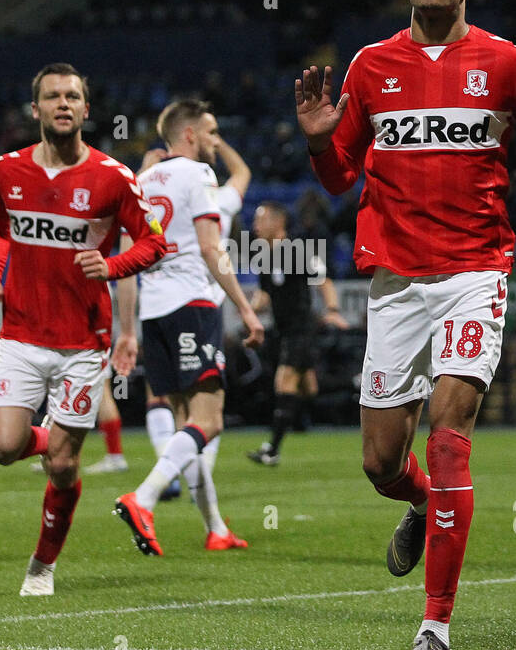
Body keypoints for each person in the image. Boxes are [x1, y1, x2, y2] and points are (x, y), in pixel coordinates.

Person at [296, 0, 516, 650]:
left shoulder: (507, 62)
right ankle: (419, 502)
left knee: (450, 426)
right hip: (395, 281)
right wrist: (316, 140)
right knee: (378, 462)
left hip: (474, 269)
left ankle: (435, 627)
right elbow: (339, 178)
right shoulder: (372, 66)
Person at [0, 62, 167, 597]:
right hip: (20, 334)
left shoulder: (113, 177)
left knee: (62, 464)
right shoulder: (7, 171)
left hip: (83, 345)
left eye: (73, 96)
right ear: (35, 109)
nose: (64, 104)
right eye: (53, 96)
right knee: (2, 447)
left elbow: (154, 242)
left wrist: (111, 266)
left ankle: (41, 566)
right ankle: (52, 436)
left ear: (86, 109)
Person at [113, 99, 264, 555]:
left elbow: (125, 263)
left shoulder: (137, 182)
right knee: (209, 420)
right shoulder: (197, 175)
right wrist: (246, 309)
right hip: (192, 306)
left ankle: (215, 526)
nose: (215, 138)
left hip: (153, 313)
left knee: (185, 424)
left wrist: (127, 332)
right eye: (211, 130)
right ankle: (142, 498)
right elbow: (209, 248)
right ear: (190, 134)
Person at [128, 128, 252, 495]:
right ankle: (162, 487)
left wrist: (144, 171)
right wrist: (220, 142)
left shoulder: (151, 187)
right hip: (202, 299)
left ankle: (172, 475)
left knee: (167, 401)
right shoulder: (218, 196)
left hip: (155, 301)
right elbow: (242, 173)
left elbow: (128, 215)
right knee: (206, 415)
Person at [246, 201, 349, 465]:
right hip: (282, 330)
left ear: (278, 222)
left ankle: (272, 449)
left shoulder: (297, 250)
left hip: (301, 328)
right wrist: (248, 310)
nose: (256, 226)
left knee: (284, 381)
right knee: (309, 388)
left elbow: (323, 280)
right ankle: (353, 385)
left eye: (261, 219)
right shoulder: (263, 256)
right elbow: (265, 294)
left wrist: (333, 309)